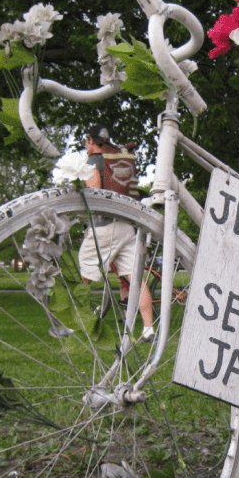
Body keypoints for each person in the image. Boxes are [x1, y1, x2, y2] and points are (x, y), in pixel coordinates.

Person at [78, 125, 155, 341]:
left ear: (91, 141)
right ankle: (148, 329)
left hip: (104, 227)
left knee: (84, 275)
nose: (86, 146)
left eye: (86, 141)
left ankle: (74, 323)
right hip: (127, 226)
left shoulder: (94, 162)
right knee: (135, 279)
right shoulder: (118, 161)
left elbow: (95, 193)